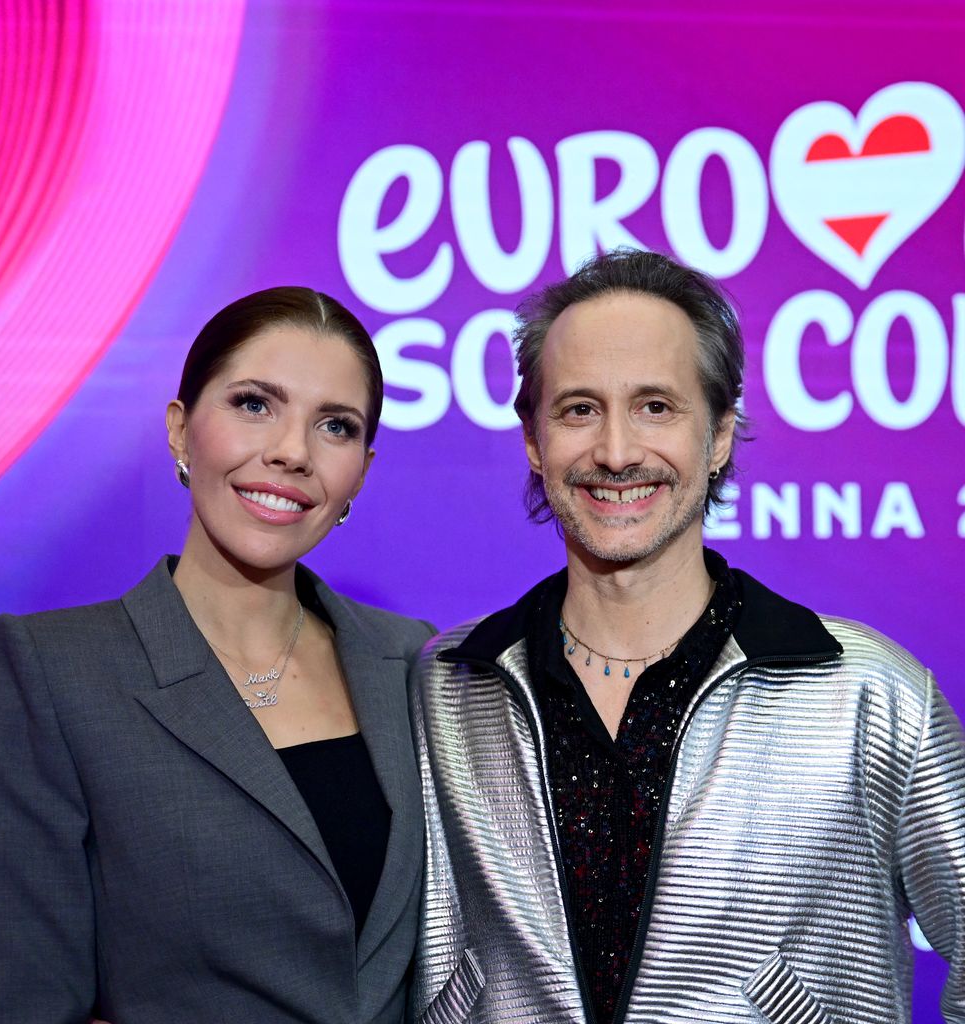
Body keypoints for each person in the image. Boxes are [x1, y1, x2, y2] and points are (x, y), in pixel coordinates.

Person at [410, 249, 965, 1024]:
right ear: (533, 440)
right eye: (578, 409)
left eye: (655, 407)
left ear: (720, 435)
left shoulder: (867, 691)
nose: (615, 451)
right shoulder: (445, 687)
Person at [0, 288, 433, 1024]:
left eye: (334, 426)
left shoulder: (413, 662)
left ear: (361, 473)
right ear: (181, 429)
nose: (290, 451)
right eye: (254, 404)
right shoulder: (54, 671)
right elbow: (24, 998)